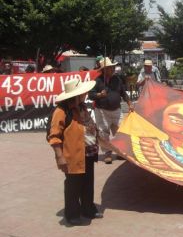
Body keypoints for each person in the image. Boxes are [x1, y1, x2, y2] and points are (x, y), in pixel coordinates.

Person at [47, 78, 103, 226]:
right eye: (82, 92)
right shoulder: (61, 111)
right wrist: (59, 157)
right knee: (73, 185)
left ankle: (87, 209)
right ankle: (72, 214)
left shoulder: (82, 107)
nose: (85, 94)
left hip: (88, 152)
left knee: (88, 182)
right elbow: (54, 136)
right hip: (73, 155)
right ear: (76, 95)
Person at [88, 57, 134, 164]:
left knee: (120, 131)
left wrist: (130, 103)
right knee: (104, 133)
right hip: (102, 111)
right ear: (104, 69)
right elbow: (91, 95)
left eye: (112, 67)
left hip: (117, 110)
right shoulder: (97, 81)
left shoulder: (117, 79)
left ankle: (120, 152)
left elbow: (123, 93)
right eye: (109, 67)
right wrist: (99, 95)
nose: (112, 69)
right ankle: (107, 153)